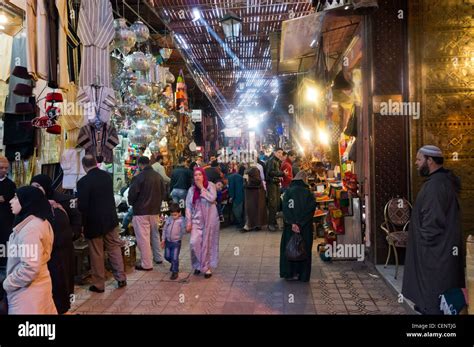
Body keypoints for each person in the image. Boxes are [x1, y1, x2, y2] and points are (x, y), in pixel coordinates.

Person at [402, 145, 465, 315]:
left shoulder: (436, 186)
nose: (416, 163)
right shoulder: (439, 181)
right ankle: (427, 305)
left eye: (418, 159)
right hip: (439, 246)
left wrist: (424, 243)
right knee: (433, 281)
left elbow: (433, 220)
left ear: (429, 161)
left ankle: (432, 309)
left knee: (434, 281)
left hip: (436, 248)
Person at [3, 186, 57, 314]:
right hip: (38, 287)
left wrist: (8, 283)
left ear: (27, 201)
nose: (11, 201)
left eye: (16, 197)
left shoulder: (30, 230)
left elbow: (30, 268)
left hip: (27, 294)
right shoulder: (40, 221)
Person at [77, 155, 127, 293]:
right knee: (114, 248)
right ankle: (121, 278)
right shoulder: (106, 176)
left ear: (84, 166)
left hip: (94, 223)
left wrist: (81, 225)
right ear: (95, 163)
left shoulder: (83, 182)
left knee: (97, 253)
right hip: (110, 219)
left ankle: (99, 285)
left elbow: (83, 207)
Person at [31, 175, 74, 314]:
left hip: (61, 250)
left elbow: (75, 218)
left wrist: (72, 235)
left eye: (38, 186)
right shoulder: (32, 203)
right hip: (44, 253)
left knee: (61, 282)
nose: (35, 190)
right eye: (33, 186)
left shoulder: (61, 201)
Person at [128, 156, 165, 271]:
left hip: (141, 211)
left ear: (139, 164)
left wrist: (131, 203)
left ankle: (147, 263)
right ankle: (158, 257)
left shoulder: (138, 178)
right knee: (155, 234)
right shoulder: (158, 177)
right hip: (155, 211)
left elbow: (132, 196)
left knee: (143, 238)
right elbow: (164, 193)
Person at [280, 171, 317, 282]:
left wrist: (292, 223)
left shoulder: (288, 192)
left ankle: (289, 273)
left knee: (289, 249)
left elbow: (285, 209)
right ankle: (303, 275)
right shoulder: (308, 193)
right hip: (304, 228)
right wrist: (300, 223)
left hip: (289, 228)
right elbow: (310, 210)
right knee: (303, 250)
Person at [185, 168, 220, 279]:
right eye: (195, 175)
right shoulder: (191, 190)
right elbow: (188, 207)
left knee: (207, 244)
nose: (198, 177)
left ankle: (206, 267)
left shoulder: (210, 186)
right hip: (196, 221)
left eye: (200, 174)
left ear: (203, 176)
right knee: (193, 243)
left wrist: (201, 188)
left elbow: (212, 198)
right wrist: (188, 222)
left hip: (210, 220)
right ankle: (197, 265)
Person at [161, 202, 186, 280]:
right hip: (168, 242)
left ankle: (175, 271)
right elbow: (164, 229)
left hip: (176, 242)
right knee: (167, 256)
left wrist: (180, 236)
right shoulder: (169, 219)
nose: (173, 217)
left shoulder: (182, 221)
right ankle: (174, 264)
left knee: (174, 257)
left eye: (175, 215)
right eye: (172, 215)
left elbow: (183, 230)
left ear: (179, 213)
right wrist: (163, 239)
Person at [0, 156, 16, 271]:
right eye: (1, 168)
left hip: (5, 218)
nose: (4, 170)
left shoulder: (10, 184)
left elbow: (4, 199)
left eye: (6, 168)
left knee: (4, 242)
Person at [243, 166, 267, 232]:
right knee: (254, 209)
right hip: (253, 194)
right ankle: (255, 225)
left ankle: (254, 225)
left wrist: (248, 181)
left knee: (254, 209)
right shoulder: (252, 170)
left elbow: (257, 181)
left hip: (254, 194)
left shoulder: (254, 170)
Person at [265, 147, 285, 231]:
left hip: (276, 183)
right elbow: (270, 172)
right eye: (279, 152)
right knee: (272, 204)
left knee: (276, 203)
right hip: (271, 184)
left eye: (281, 153)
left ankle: (273, 222)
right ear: (274, 152)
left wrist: (280, 176)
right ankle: (270, 224)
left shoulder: (277, 161)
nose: (280, 154)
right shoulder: (271, 161)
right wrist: (282, 173)